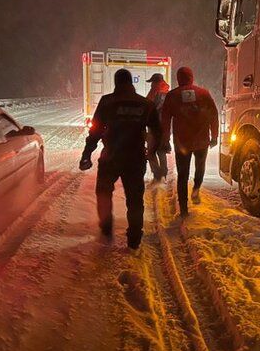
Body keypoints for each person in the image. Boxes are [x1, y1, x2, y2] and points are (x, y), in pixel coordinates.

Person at [79, 68, 161, 249]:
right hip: (135, 158)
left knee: (103, 193)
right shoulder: (145, 104)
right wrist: (151, 152)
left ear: (116, 83)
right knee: (134, 199)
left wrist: (87, 154)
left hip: (111, 157)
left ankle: (107, 229)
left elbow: (95, 131)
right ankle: (134, 239)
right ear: (131, 83)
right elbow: (157, 131)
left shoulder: (107, 102)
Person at [161, 67, 218, 217]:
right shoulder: (203, 93)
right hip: (201, 141)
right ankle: (196, 189)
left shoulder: (172, 96)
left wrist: (165, 140)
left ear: (178, 78)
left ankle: (184, 208)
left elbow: (165, 120)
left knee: (183, 175)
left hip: (182, 143)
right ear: (192, 77)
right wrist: (215, 136)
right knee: (200, 168)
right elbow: (214, 114)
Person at [146, 73, 170, 183]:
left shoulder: (155, 92)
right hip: (165, 126)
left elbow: (149, 107)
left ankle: (157, 174)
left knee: (151, 152)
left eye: (152, 82)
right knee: (161, 150)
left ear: (156, 82)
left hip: (154, 126)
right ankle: (163, 173)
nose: (151, 85)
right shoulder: (167, 92)